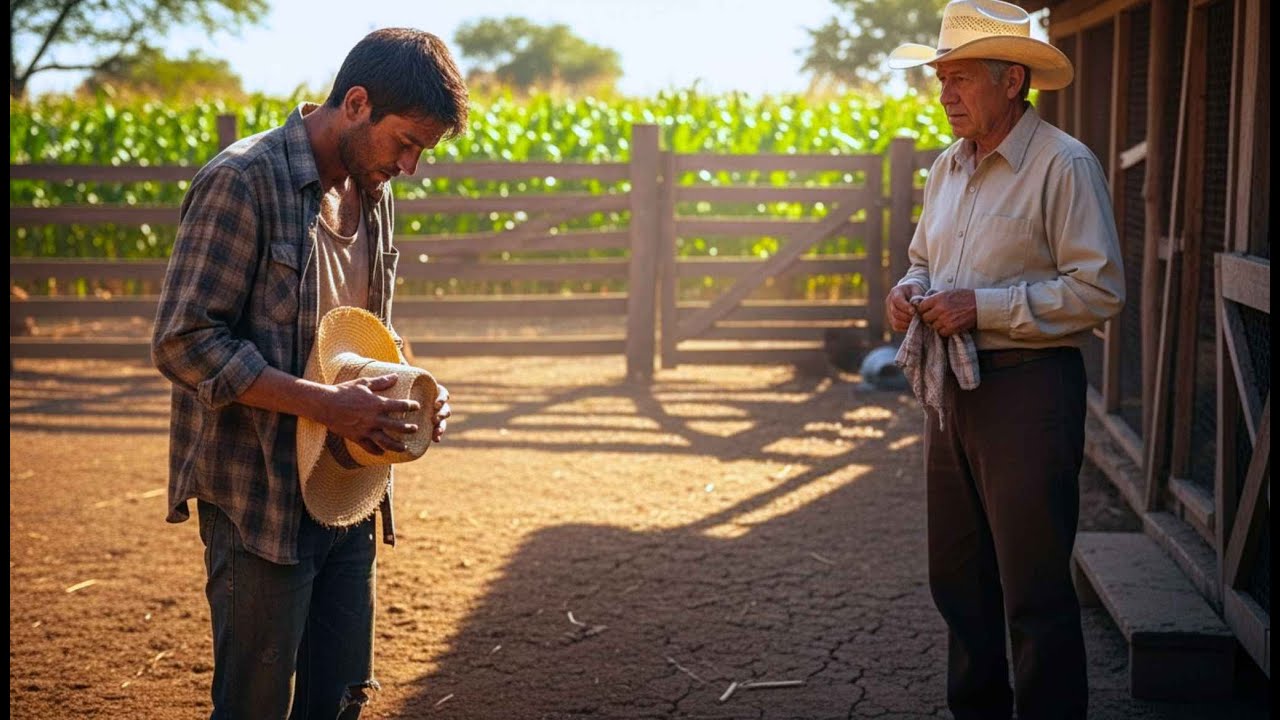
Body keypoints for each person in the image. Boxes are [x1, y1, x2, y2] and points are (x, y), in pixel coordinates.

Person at [151, 28, 468, 719]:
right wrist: (325, 406)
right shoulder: (242, 181)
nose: (411, 166)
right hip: (258, 491)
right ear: (356, 103)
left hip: (348, 481)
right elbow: (182, 340)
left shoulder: (374, 199)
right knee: (257, 704)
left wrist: (415, 386)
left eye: (424, 151)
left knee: (337, 698)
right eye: (406, 142)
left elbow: (363, 332)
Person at [883, 1, 1124, 718]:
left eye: (961, 78)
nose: (947, 94)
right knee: (957, 577)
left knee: (1033, 587)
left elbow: (1099, 289)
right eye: (941, 80)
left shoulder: (1064, 165)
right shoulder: (946, 169)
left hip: (1029, 393)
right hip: (953, 394)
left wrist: (981, 309)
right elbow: (925, 258)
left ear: (1013, 79)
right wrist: (910, 290)